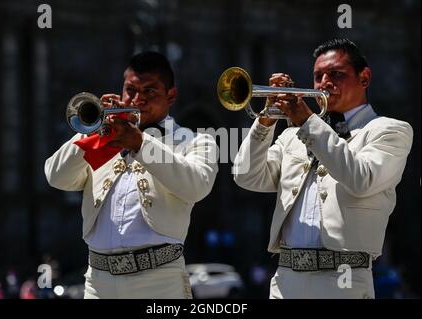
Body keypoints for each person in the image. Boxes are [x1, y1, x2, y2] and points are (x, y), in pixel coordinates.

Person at [233, 38, 413, 299]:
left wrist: (308, 122)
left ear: (364, 77)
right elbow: (245, 175)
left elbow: (362, 179)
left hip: (344, 280)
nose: (324, 83)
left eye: (336, 74)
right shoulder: (293, 136)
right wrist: (266, 120)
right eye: (318, 76)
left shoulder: (389, 130)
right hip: (286, 281)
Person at [45, 51, 218, 299]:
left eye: (150, 92)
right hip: (98, 281)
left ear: (171, 96)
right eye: (131, 90)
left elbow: (197, 186)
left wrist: (140, 143)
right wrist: (92, 132)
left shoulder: (195, 141)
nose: (138, 100)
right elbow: (56, 176)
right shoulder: (102, 138)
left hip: (159, 282)